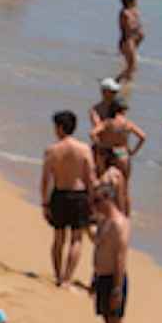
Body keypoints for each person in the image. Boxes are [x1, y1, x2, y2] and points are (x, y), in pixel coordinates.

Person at [41, 110, 96, 288]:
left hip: (59, 194)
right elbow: (90, 177)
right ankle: (67, 278)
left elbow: (45, 179)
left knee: (58, 238)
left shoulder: (52, 150)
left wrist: (45, 202)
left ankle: (58, 275)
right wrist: (94, 199)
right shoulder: (84, 149)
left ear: (60, 128)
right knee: (77, 239)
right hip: (79, 195)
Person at [89, 185, 130, 323]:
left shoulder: (119, 224)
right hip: (102, 276)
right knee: (108, 321)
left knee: (116, 322)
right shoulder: (105, 221)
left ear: (108, 199)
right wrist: (94, 278)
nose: (94, 205)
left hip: (114, 278)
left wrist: (117, 288)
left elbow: (120, 257)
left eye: (97, 201)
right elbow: (98, 248)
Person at [117, 0, 143, 84]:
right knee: (132, 66)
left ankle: (126, 85)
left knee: (130, 65)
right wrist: (137, 28)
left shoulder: (132, 12)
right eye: (135, 0)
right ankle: (117, 80)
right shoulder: (125, 13)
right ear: (130, 2)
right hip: (127, 41)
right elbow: (129, 27)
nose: (136, 2)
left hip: (132, 40)